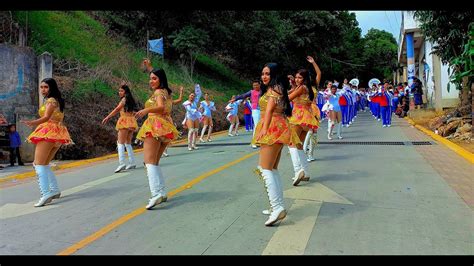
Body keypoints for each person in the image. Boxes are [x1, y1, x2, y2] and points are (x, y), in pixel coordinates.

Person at [253, 63, 300, 226]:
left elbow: (269, 110)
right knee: (272, 169)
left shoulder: (274, 90)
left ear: (274, 75)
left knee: (264, 169)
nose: (264, 76)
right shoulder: (278, 88)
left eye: (267, 73)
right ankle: (277, 205)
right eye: (262, 73)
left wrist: (263, 130)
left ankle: (277, 206)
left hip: (273, 127)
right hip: (280, 126)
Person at [136, 59, 180, 210]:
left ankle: (156, 194)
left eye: (154, 79)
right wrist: (150, 68)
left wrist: (146, 110)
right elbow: (158, 74)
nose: (151, 81)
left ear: (160, 80)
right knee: (153, 162)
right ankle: (161, 192)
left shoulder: (158, 92)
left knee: (149, 162)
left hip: (155, 126)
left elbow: (160, 107)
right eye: (150, 78)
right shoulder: (166, 91)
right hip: (165, 127)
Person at [22, 78, 73, 207]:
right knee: (44, 164)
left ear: (51, 88)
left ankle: (46, 193)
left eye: (45, 87)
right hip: (57, 133)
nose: (43, 90)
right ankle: (54, 190)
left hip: (48, 132)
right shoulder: (58, 100)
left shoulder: (51, 101)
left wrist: (31, 123)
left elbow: (46, 117)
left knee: (38, 164)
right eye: (41, 87)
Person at [287, 55, 321, 185]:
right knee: (299, 145)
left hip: (297, 117)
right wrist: (313, 62)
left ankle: (298, 171)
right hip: (308, 118)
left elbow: (288, 98)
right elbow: (319, 73)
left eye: (299, 77)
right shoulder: (313, 87)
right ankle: (305, 172)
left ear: (304, 78)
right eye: (296, 77)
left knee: (291, 144)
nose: (297, 79)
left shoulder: (301, 88)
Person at [102, 84, 139, 172]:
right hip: (131, 121)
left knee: (120, 143)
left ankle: (121, 163)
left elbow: (117, 109)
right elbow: (133, 112)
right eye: (119, 91)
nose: (119, 92)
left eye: (121, 91)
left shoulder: (124, 99)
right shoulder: (130, 100)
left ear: (125, 92)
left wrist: (107, 117)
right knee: (128, 143)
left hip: (124, 121)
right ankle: (132, 162)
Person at [234, 80, 263, 148]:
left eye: (256, 85)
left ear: (259, 85)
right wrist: (235, 99)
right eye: (254, 85)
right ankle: (254, 142)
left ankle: (260, 141)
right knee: (256, 125)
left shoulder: (263, 91)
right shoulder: (251, 92)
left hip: (263, 109)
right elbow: (243, 95)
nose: (255, 86)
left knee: (262, 125)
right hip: (255, 109)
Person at [182, 84, 202, 151]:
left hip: (196, 117)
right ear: (189, 96)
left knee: (196, 131)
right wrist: (196, 110)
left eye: (193, 96)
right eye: (191, 95)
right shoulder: (186, 103)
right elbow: (189, 109)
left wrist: (197, 87)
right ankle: (189, 145)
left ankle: (194, 144)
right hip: (189, 117)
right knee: (191, 130)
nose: (192, 96)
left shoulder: (195, 102)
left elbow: (199, 94)